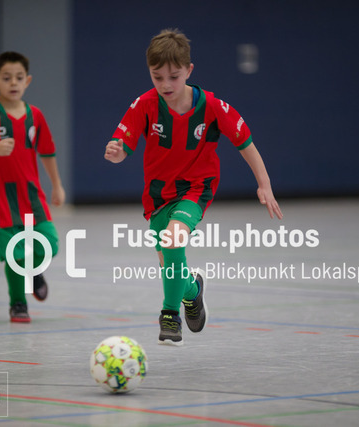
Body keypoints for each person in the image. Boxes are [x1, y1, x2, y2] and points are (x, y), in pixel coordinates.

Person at [104, 29, 283, 346]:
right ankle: (193, 290)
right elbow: (123, 145)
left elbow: (245, 142)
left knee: (173, 239)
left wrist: (264, 184)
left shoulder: (212, 106)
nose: (165, 85)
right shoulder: (144, 105)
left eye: (173, 77)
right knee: (171, 266)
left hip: (196, 188)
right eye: (157, 77)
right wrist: (116, 153)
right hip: (158, 196)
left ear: (189, 70)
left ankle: (169, 316)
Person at [0, 51, 65, 323]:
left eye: (19, 77)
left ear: (27, 81)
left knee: (49, 243)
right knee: (14, 254)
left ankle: (34, 270)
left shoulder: (35, 115)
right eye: (6, 78)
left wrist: (57, 185)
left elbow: (47, 151)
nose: (13, 83)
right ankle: (18, 304)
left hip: (30, 194)